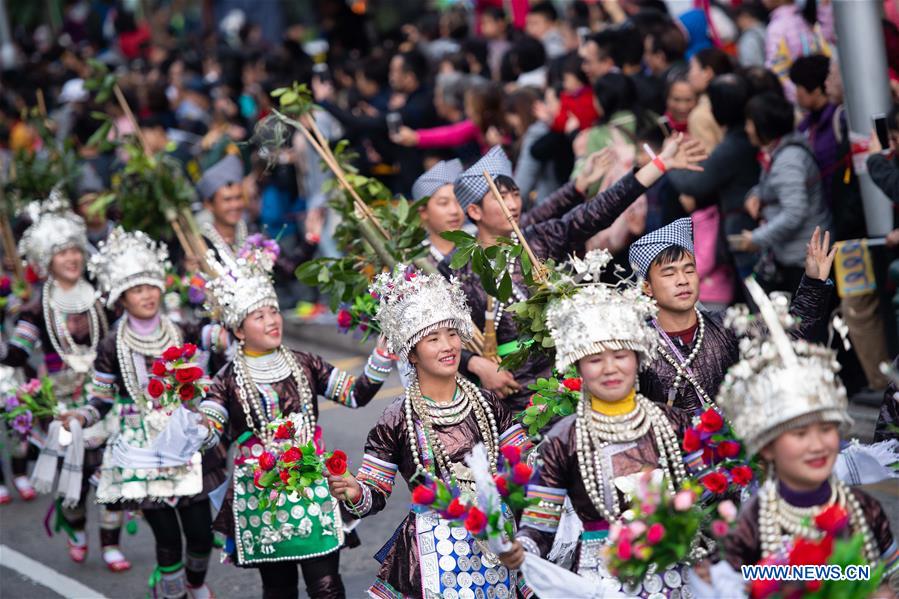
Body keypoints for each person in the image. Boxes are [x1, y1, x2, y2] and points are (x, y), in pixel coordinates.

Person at [446, 135, 707, 412]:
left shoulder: (539, 240)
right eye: (501, 197)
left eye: (515, 194)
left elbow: (598, 211)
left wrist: (659, 164)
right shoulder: (458, 267)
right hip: (513, 392)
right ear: (474, 211)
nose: (512, 204)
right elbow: (444, 334)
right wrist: (477, 364)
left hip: (571, 377)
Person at [497, 249, 699, 596]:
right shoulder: (564, 439)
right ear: (578, 368)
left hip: (675, 573)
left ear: (637, 359)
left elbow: (711, 489)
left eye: (620, 355)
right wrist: (521, 549)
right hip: (602, 579)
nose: (609, 369)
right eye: (595, 359)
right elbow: (540, 523)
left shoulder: (671, 423)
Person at [324, 267, 532, 599]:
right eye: (433, 339)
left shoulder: (487, 401)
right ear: (411, 353)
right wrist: (353, 490)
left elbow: (523, 461)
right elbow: (373, 492)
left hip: (498, 543)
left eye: (452, 334)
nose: (448, 346)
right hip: (434, 548)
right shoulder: (396, 418)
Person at [199, 249, 396, 599]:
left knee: (326, 584)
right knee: (278, 588)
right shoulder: (227, 379)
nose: (272, 320)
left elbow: (355, 394)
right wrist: (198, 428)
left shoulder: (305, 363)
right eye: (258, 316)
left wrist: (381, 356)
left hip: (313, 487)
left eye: (273, 310)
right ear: (239, 330)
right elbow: (210, 422)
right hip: (263, 496)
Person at [61, 228, 226, 599]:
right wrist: (80, 418)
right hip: (143, 449)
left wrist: (224, 297)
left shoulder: (182, 328)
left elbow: (219, 349)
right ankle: (170, 592)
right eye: (137, 290)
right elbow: (100, 397)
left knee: (200, 532)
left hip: (186, 442)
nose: (147, 295)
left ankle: (195, 583)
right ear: (122, 298)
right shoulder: (110, 345)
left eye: (151, 286)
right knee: (167, 535)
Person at [719, 282, 898, 594]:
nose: (817, 444)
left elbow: (890, 576)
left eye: (826, 429)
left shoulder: (864, 508)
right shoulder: (751, 524)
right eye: (800, 433)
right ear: (768, 448)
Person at [3, 193, 129, 571]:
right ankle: (75, 529)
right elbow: (16, 355)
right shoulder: (36, 308)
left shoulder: (104, 298)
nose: (72, 258)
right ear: (46, 260)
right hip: (59, 407)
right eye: (61, 253)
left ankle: (110, 544)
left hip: (105, 398)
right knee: (71, 482)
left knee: (112, 475)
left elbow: (129, 334)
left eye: (75, 250)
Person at [629, 218, 836, 414]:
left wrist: (813, 282)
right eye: (669, 273)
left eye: (689, 270)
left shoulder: (726, 325)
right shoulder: (639, 345)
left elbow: (787, 337)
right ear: (647, 287)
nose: (682, 280)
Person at [667, 74, 759, 283]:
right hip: (752, 227)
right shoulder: (744, 138)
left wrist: (669, 162)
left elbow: (696, 183)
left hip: (745, 231)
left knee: (759, 297)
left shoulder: (733, 146)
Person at [737, 91, 831, 294]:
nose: (747, 128)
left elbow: (794, 213)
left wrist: (756, 238)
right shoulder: (779, 150)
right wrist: (755, 195)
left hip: (802, 259)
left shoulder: (788, 160)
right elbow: (773, 187)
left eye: (749, 122)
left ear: (763, 126)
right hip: (796, 254)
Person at [410, 159, 466, 266]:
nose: (454, 210)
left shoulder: (478, 250)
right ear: (423, 212)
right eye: (443, 203)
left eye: (459, 201)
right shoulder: (413, 258)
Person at [197, 153, 248, 263]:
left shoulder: (254, 237)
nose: (235, 205)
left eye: (238, 197)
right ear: (209, 205)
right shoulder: (202, 247)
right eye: (227, 200)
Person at [687, 48, 735, 153]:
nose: (688, 75)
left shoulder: (700, 116)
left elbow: (706, 161)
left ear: (707, 73)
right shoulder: (736, 100)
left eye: (691, 68)